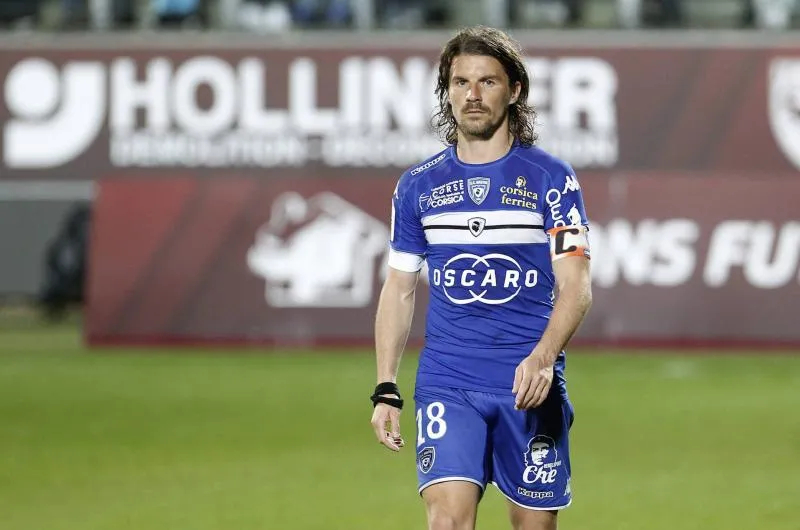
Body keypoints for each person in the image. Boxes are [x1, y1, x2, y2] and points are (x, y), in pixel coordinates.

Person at [369, 25, 593, 530]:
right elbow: (399, 289)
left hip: (527, 382)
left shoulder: (551, 179)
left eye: (487, 81)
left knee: (534, 525)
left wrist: (543, 357)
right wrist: (385, 385)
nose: (472, 94)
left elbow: (576, 286)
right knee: (447, 522)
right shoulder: (418, 187)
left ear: (514, 91)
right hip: (449, 381)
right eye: (461, 82)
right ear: (446, 92)